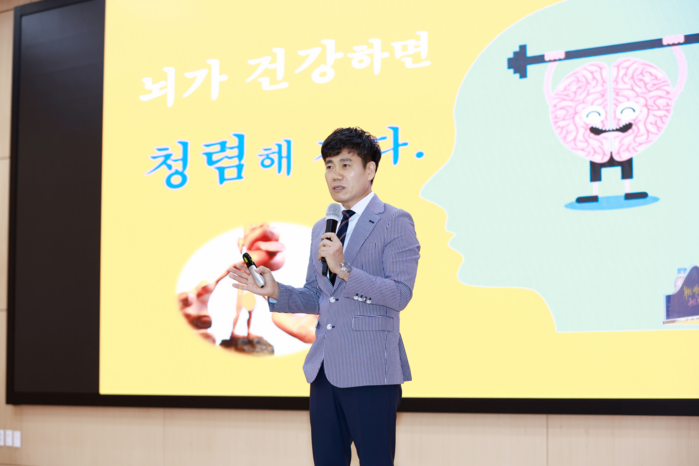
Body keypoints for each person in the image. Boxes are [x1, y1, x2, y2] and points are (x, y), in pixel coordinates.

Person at [228, 127, 420, 466]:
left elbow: (400, 294)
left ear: (370, 170)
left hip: (371, 371)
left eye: (345, 165)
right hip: (324, 371)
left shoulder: (395, 221)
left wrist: (344, 268)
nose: (335, 175)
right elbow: (317, 295)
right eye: (329, 166)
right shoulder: (323, 226)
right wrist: (274, 291)